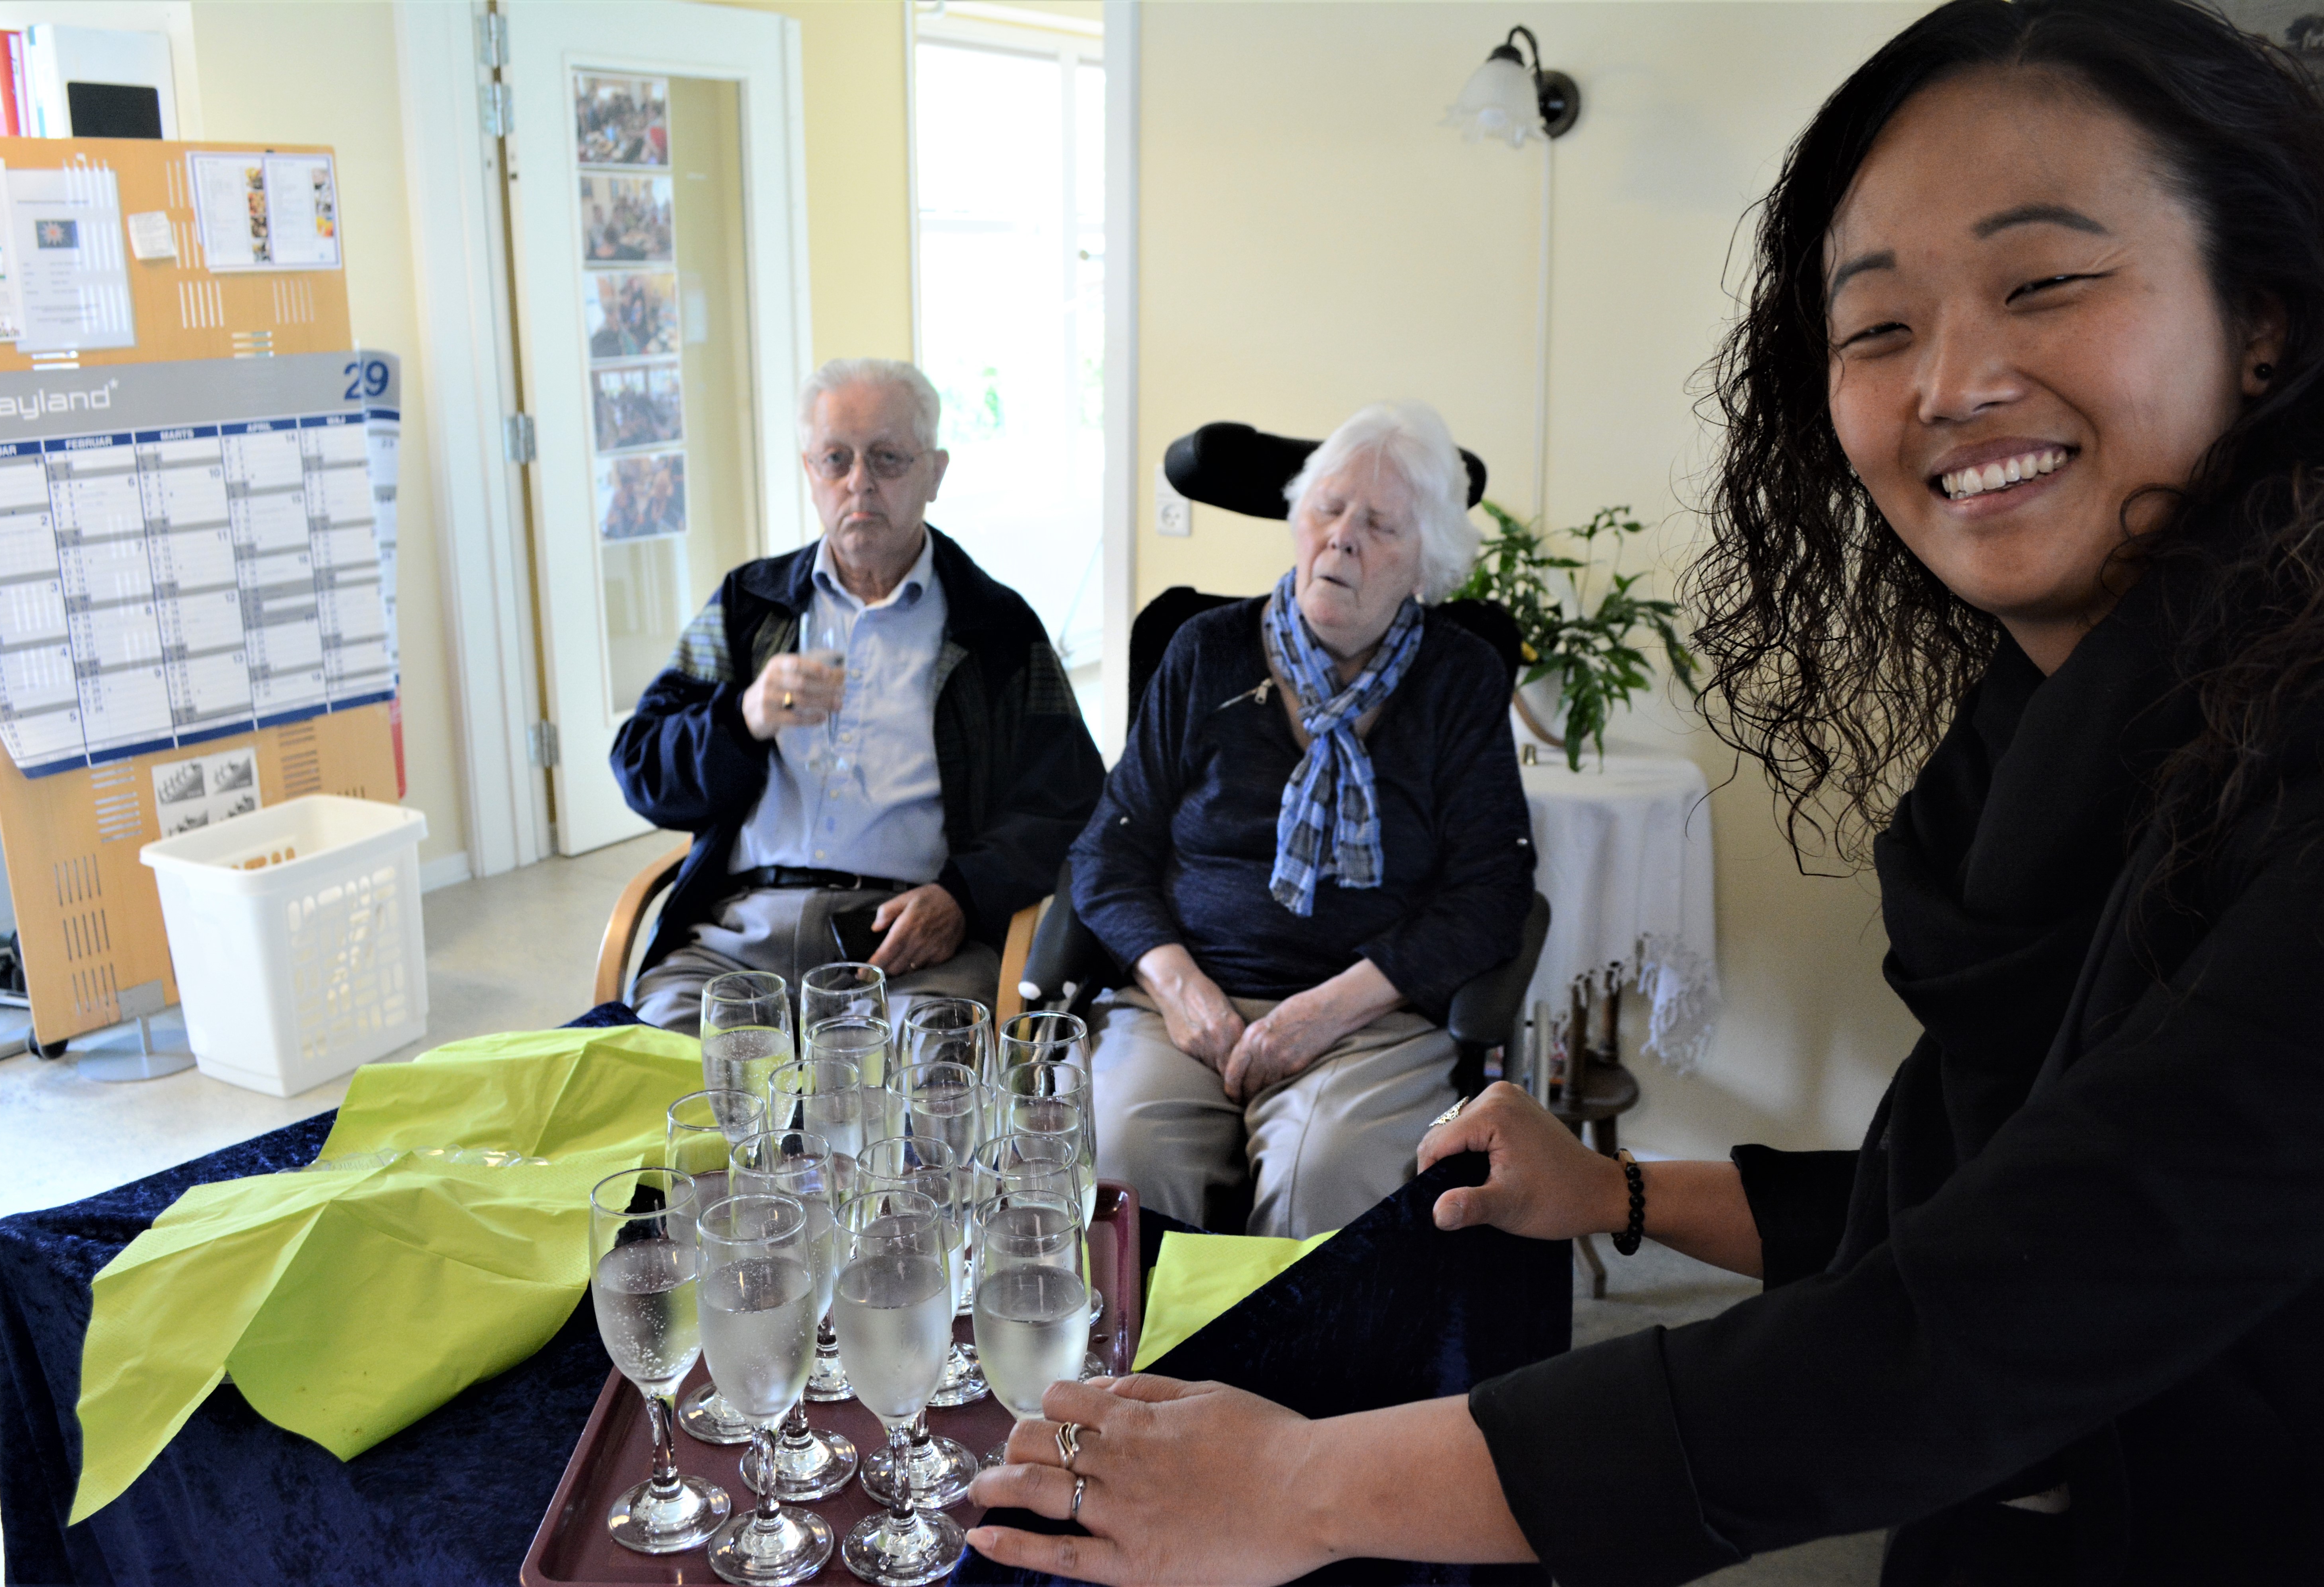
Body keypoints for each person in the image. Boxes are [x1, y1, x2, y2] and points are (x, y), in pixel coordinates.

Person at [964, 1, 2324, 1581]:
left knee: (1338, 1175)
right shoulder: (2047, 741)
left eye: (2046, 283)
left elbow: (1967, 1323)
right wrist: (1616, 1187)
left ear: (2266, 317)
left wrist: (1307, 1484)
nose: (1952, 381)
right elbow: (1966, 1208)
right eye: (1878, 326)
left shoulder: (2284, 787)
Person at [1069, 401, 1535, 1238]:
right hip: (1183, 1006)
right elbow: (1110, 850)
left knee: (1323, 1170)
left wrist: (1323, 1013)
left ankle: (1280, 1339)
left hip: (1371, 1023)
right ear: (1297, 518)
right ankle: (1134, 1335)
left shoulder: (1460, 677)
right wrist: (1185, 993)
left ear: (1427, 561)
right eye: (1329, 508)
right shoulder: (1204, 649)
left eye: (1380, 525)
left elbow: (1491, 890)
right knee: (1122, 1152)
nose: (1343, 538)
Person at [614, 357, 1105, 1034]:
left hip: (908, 945)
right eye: (836, 459)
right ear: (810, 471)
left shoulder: (994, 627)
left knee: (933, 1077)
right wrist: (743, 717)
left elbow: (1073, 804)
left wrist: (963, 896)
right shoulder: (751, 605)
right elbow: (641, 766)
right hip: (738, 935)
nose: (859, 483)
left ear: (935, 473)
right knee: (659, 1067)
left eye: (888, 458)